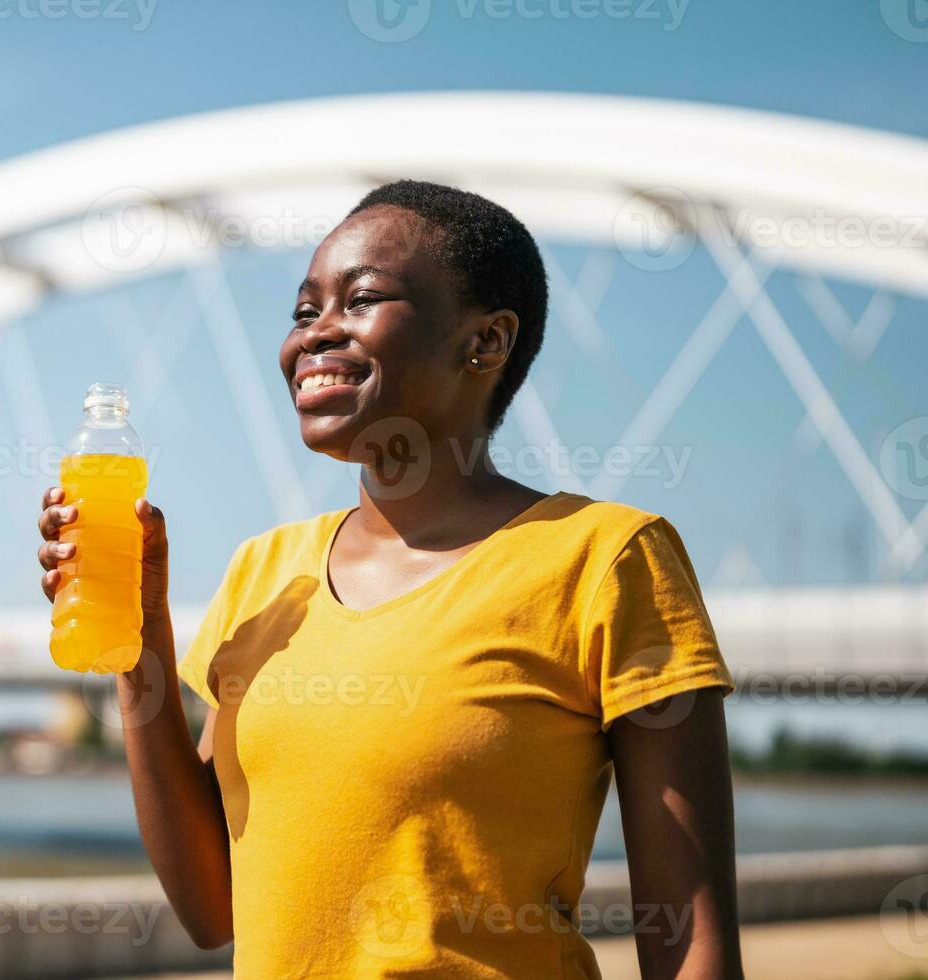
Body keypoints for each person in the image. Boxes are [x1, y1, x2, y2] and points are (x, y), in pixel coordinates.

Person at [37, 180, 742, 979]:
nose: (315, 335)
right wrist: (137, 636)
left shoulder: (607, 559)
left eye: (361, 299)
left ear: (486, 342)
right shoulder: (266, 572)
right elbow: (211, 909)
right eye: (304, 312)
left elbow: (691, 945)